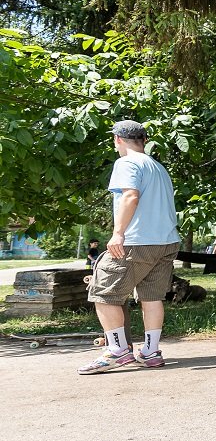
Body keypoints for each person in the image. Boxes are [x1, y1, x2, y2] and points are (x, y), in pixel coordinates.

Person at [78, 120, 181, 374]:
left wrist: (117, 233)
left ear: (118, 140)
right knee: (151, 297)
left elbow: (131, 195)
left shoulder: (125, 163)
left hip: (137, 242)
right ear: (143, 140)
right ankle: (150, 352)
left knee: (102, 292)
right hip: (166, 242)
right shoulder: (158, 167)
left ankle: (117, 351)